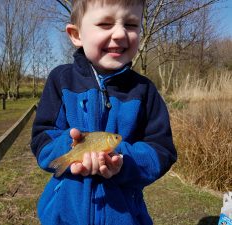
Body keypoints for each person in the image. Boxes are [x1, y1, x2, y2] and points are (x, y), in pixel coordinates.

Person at [31, 0, 177, 224]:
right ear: (76, 35)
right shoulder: (61, 80)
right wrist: (71, 149)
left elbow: (162, 152)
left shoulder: (144, 90)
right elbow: (42, 139)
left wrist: (122, 162)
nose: (119, 34)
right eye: (105, 24)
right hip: (63, 217)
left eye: (131, 24)